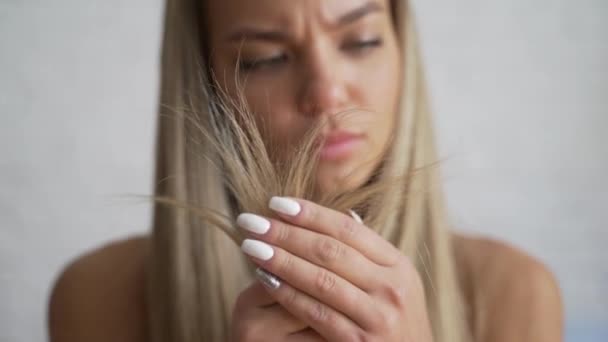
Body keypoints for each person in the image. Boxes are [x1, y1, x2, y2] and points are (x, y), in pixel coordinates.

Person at [48, 0, 563, 341]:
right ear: (204, 83)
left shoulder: (512, 297)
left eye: (360, 41)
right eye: (266, 57)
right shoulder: (98, 298)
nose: (325, 93)